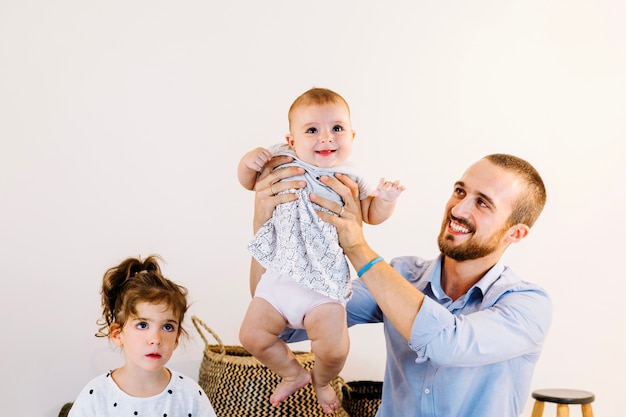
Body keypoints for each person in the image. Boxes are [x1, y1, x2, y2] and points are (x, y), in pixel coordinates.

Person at [250, 153, 552, 417]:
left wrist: (357, 246)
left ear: (516, 233)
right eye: (460, 191)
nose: (459, 210)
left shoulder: (527, 305)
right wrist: (265, 227)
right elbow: (283, 320)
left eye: (482, 203)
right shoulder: (403, 275)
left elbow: (447, 344)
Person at [237, 87, 405, 414]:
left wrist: (385, 201)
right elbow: (248, 182)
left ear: (352, 136)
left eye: (337, 129)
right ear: (291, 141)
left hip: (323, 286)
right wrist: (248, 162)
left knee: (335, 349)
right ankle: (291, 373)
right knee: (251, 336)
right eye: (312, 130)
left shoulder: (352, 175)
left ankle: (323, 380)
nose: (326, 137)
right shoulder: (279, 158)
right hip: (279, 278)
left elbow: (370, 215)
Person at [68, 255, 217, 417]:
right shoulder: (96, 396)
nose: (156, 339)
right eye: (143, 325)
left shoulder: (190, 395)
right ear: (118, 334)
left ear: (176, 338)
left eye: (167, 327)